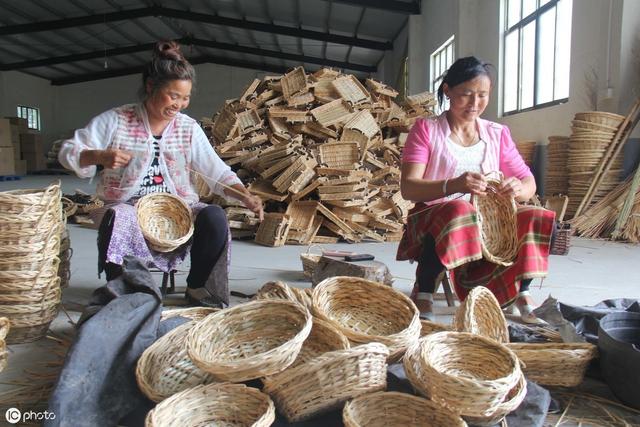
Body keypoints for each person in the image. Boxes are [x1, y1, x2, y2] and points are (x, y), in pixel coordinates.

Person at [59, 41, 264, 308]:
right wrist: (98, 156)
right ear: (150, 87)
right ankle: (124, 291)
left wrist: (244, 195)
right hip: (124, 205)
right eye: (173, 95)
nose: (179, 104)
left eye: (185, 97)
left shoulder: (187, 128)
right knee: (119, 217)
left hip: (179, 207)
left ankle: (197, 287)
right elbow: (69, 150)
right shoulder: (117, 119)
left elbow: (216, 170)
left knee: (214, 217)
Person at [396, 56, 555, 323]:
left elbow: (529, 184)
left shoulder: (497, 133)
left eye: (482, 95)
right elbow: (409, 188)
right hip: (433, 219)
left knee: (535, 215)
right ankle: (424, 290)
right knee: (460, 207)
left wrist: (517, 188)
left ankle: (522, 290)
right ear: (447, 91)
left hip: (489, 221)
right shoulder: (427, 129)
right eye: (466, 95)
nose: (474, 104)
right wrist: (454, 185)